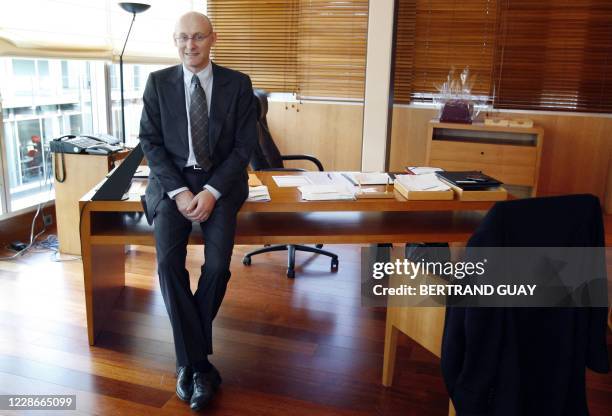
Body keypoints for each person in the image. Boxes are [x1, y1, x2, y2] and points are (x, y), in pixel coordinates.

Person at [138, 11, 257, 411]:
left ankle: (188, 361)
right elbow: (150, 143)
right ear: (175, 41)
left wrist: (209, 191)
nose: (191, 46)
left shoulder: (238, 85)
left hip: (220, 184)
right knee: (169, 264)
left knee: (218, 265)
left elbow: (243, 148)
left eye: (199, 38)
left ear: (213, 39)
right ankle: (199, 366)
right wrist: (177, 192)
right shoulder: (158, 83)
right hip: (171, 184)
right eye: (183, 38)